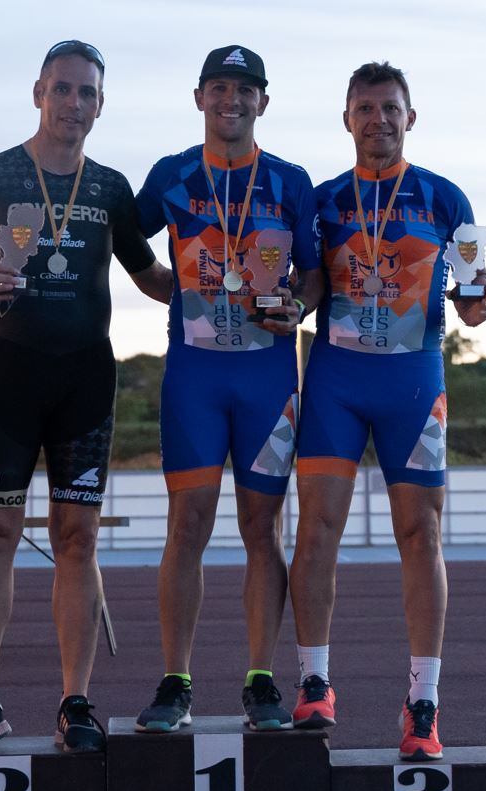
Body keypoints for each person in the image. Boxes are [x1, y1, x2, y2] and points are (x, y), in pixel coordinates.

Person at [0, 40, 172, 756]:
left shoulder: (110, 188)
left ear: (102, 104)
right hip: (9, 377)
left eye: (87, 94)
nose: (74, 104)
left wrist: (220, 283)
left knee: (78, 540)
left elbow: (152, 275)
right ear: (39, 91)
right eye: (62, 89)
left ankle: (76, 700)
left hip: (86, 381)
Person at [289, 61, 486, 759]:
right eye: (365, 108)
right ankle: (314, 684)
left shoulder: (443, 196)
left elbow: (472, 291)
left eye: (390, 108)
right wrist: (287, 302)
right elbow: (308, 286)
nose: (378, 119)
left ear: (412, 118)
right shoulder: (321, 202)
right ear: (347, 119)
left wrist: (481, 300)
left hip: (415, 383)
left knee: (421, 536)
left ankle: (423, 702)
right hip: (335, 383)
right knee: (316, 532)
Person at [132, 45, 323, 733]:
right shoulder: (173, 174)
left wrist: (298, 306)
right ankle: (176, 681)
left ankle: (261, 679)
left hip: (269, 378)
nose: (230, 100)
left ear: (263, 102)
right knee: (187, 527)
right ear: (199, 97)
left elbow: (316, 273)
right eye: (218, 87)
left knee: (260, 529)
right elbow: (129, 241)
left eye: (244, 89)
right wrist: (161, 286)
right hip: (195, 378)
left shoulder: (291, 181)